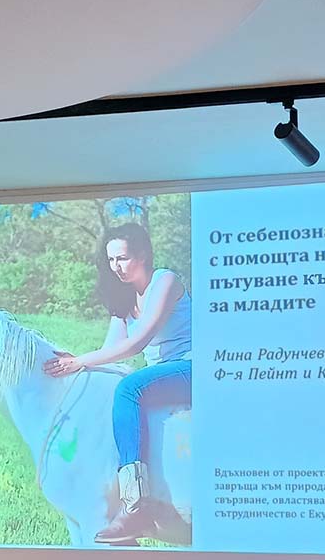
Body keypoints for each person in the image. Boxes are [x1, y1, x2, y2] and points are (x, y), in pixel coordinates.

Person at [43, 222, 191, 543]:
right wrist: (78, 364)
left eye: (122, 258)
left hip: (192, 367)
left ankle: (135, 506)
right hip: (162, 372)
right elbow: (113, 350)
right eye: (111, 260)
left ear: (143, 254)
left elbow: (136, 343)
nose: (116, 267)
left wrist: (81, 360)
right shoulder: (124, 297)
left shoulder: (165, 281)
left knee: (129, 388)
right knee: (105, 385)